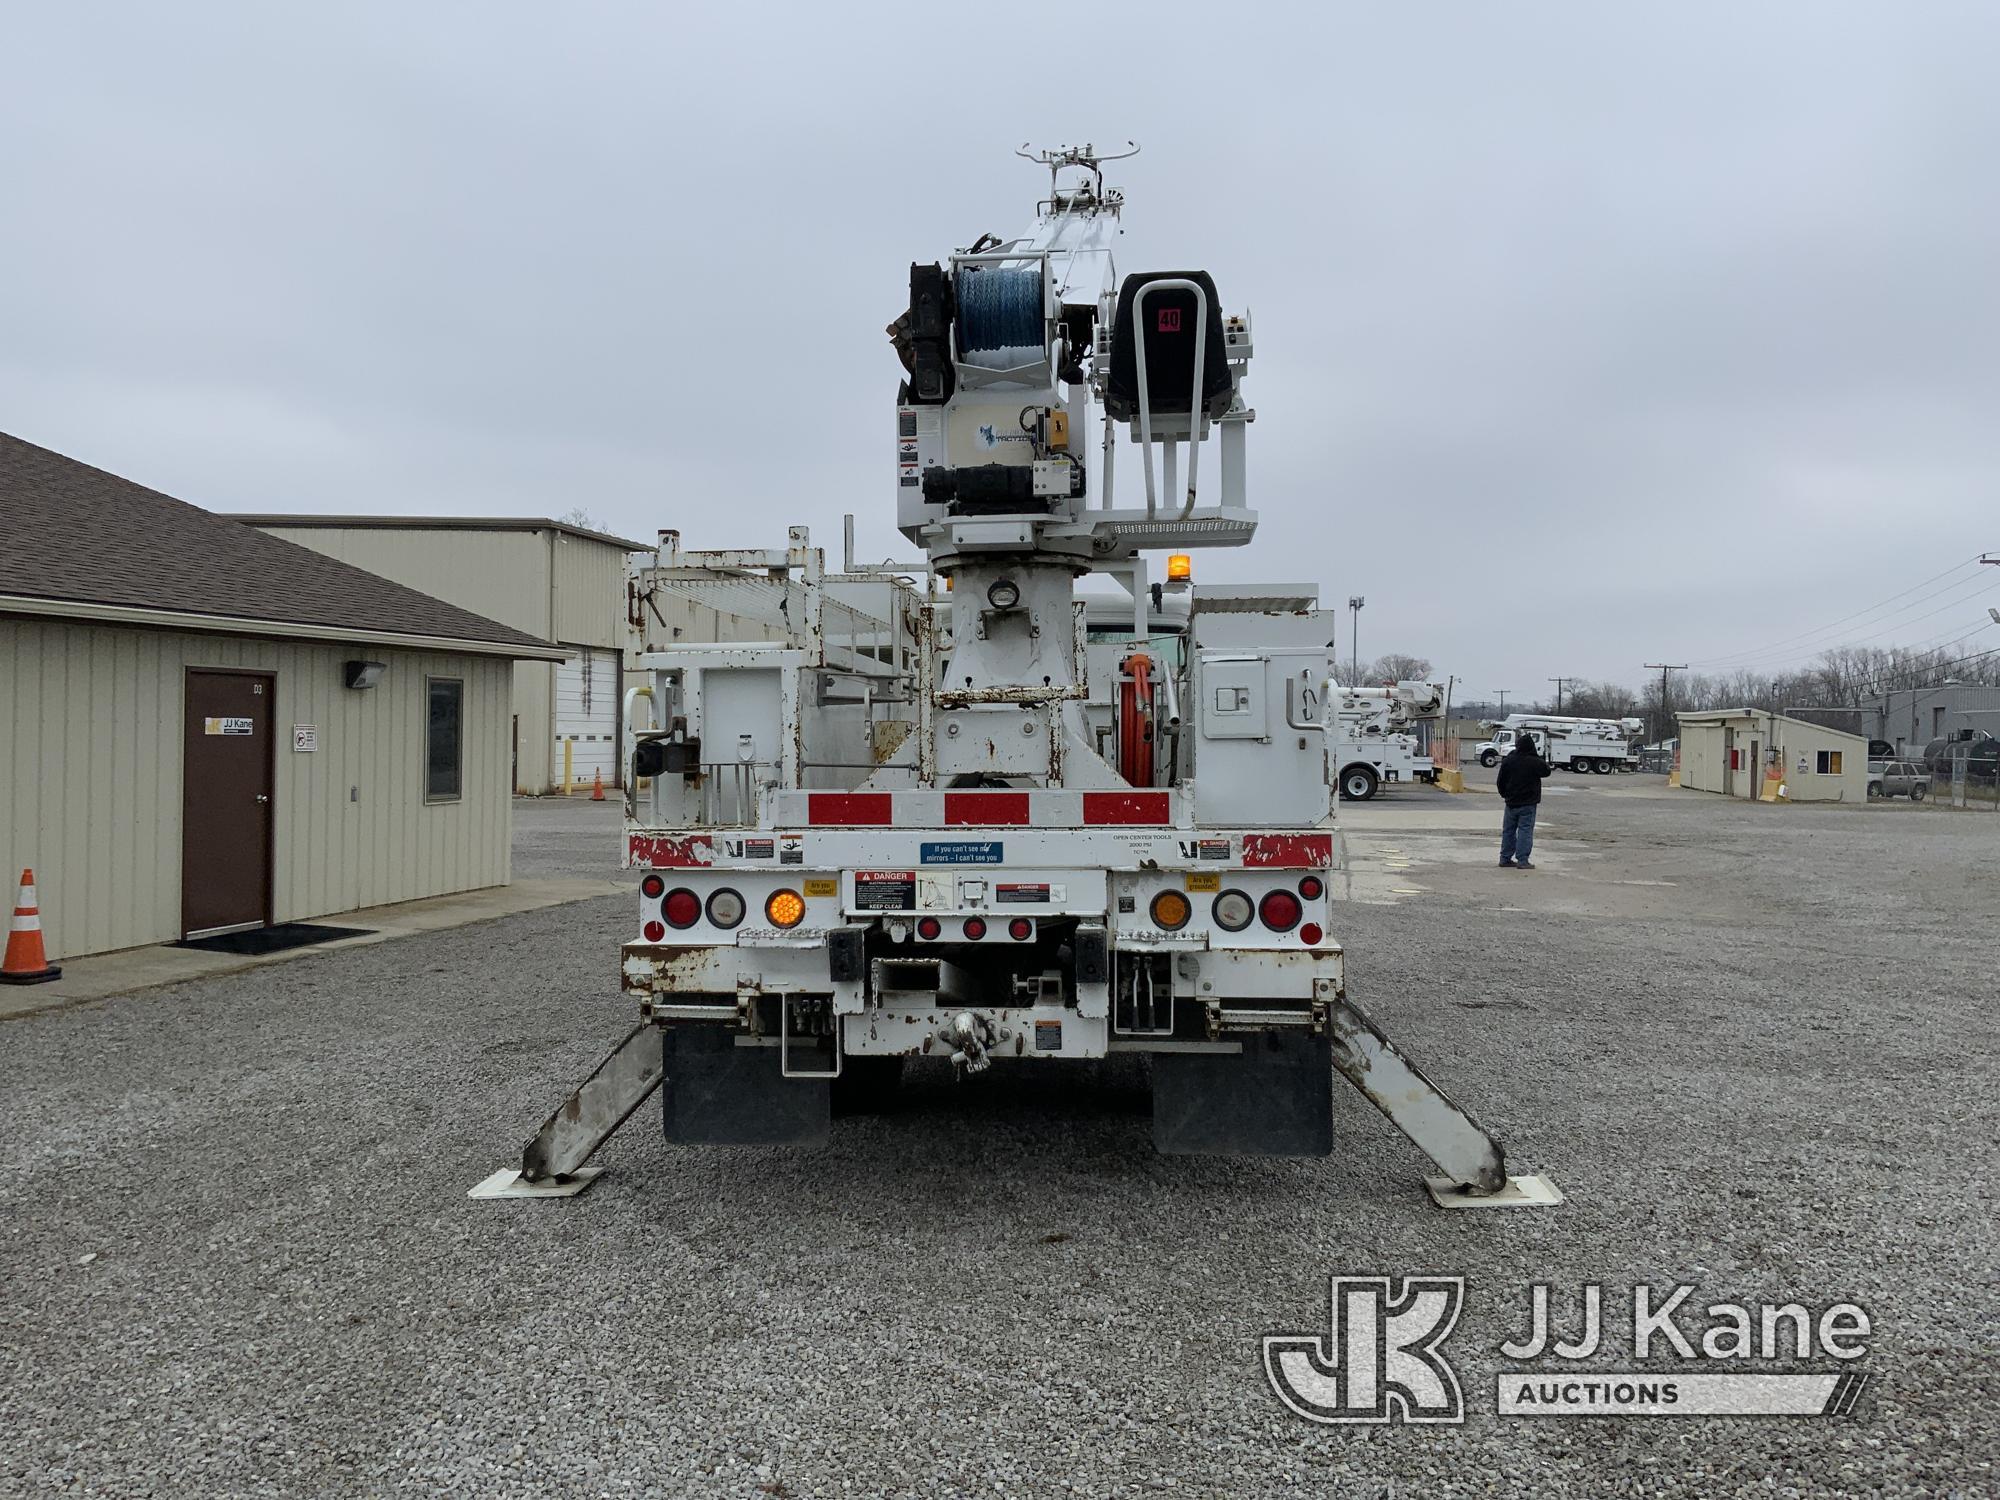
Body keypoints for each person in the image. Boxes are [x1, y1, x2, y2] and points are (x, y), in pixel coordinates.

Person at [1496, 732, 1553, 869]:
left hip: (1511, 802)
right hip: (1528, 802)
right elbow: (1546, 771)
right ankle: (1522, 860)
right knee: (1525, 831)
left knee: (1508, 830)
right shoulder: (1534, 761)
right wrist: (1536, 755)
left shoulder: (1509, 760)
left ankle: (1505, 858)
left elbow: (1500, 781)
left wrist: (1505, 794)